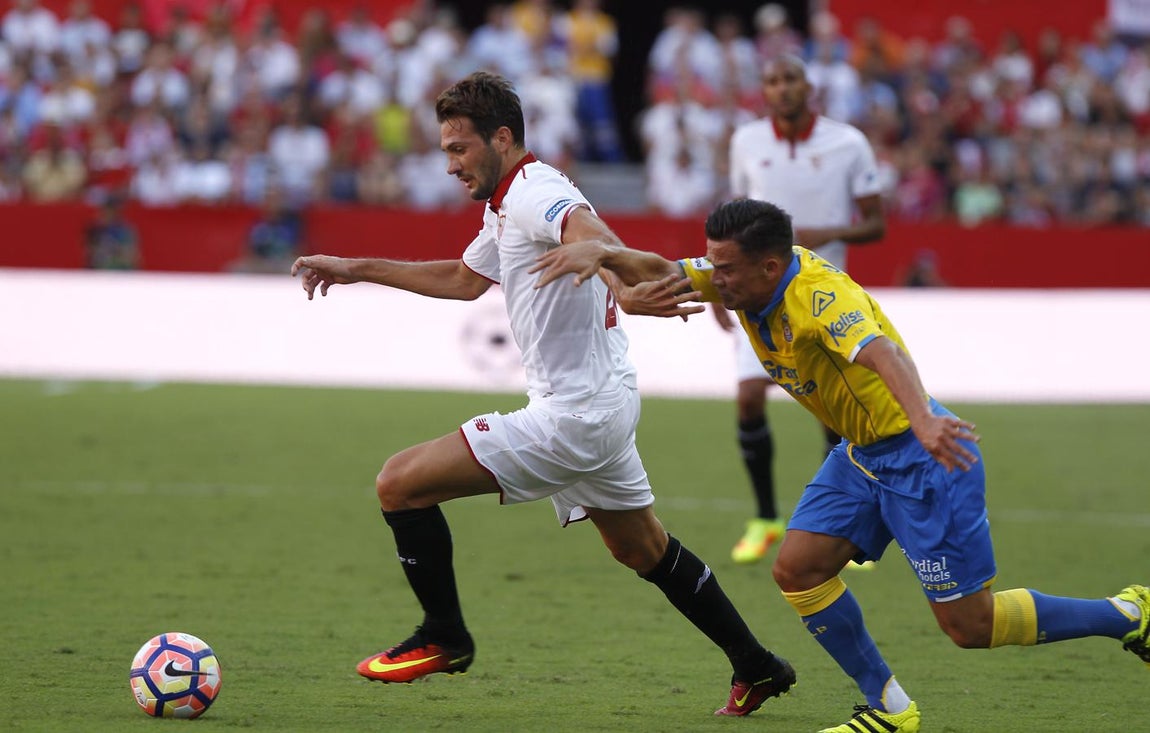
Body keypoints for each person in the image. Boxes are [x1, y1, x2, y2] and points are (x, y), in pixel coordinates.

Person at [530, 197, 1150, 733]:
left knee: (969, 624)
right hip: (860, 457)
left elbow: (882, 355)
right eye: (711, 262)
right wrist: (602, 258)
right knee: (797, 569)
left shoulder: (821, 297)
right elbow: (662, 270)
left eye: (724, 268)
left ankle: (1128, 613)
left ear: (769, 266)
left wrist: (927, 423)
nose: (713, 279)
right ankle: (888, 706)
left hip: (920, 455)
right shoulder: (745, 274)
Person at [290, 72, 794, 717]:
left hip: (575, 415)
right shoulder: (507, 203)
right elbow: (462, 279)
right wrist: (354, 268)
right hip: (604, 403)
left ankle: (445, 635)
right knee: (642, 549)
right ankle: (756, 665)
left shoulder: (536, 191)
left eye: (459, 148)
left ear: (501, 138)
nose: (451, 164)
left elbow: (588, 233)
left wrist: (610, 268)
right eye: (446, 150)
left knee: (398, 484)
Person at [721, 54, 885, 565]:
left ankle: (839, 526)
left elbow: (876, 223)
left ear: (807, 86)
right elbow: (732, 222)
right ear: (763, 90)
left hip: (822, 295)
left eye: (790, 78)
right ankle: (766, 517)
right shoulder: (746, 141)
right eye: (772, 80)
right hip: (759, 296)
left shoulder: (848, 142)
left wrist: (828, 231)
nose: (782, 88)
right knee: (749, 398)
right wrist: (719, 284)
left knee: (833, 415)